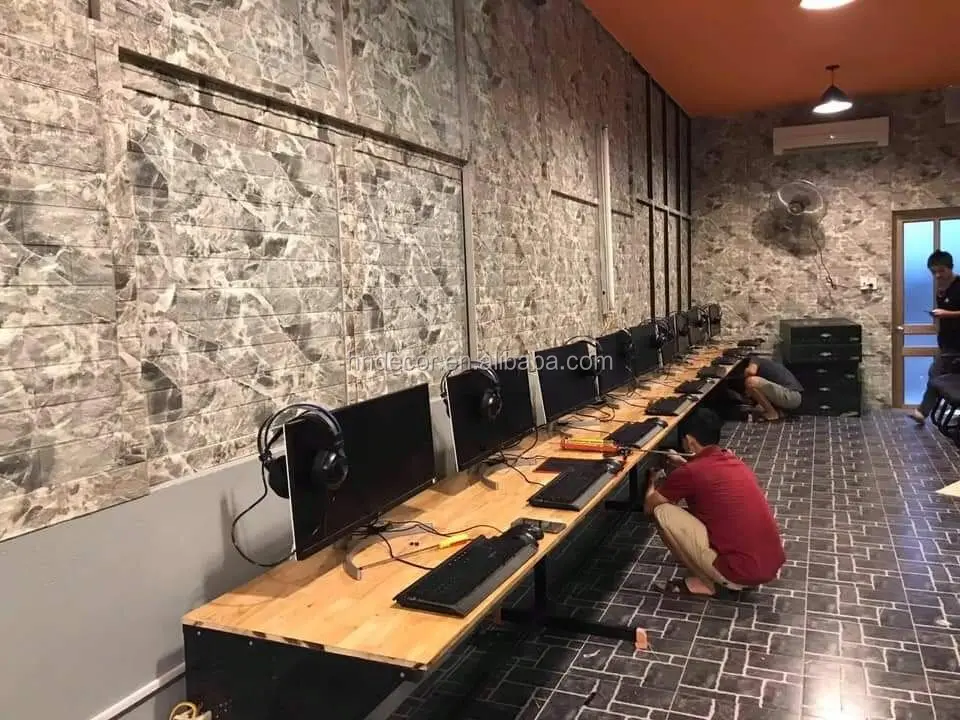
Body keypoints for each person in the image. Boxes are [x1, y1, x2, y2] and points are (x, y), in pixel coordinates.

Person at [644, 408, 785, 597]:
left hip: (741, 573)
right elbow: (703, 474)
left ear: (689, 441)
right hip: (768, 565)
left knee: (663, 512)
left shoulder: (691, 472)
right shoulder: (730, 458)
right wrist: (682, 463)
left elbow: (649, 506)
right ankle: (726, 577)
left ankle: (711, 583)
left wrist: (651, 482)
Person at [910, 250, 960, 424]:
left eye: (941, 271)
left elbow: (950, 313)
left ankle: (922, 411)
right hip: (947, 341)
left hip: (957, 344)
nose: (937, 275)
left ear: (950, 268)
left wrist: (946, 313)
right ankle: (924, 412)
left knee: (936, 373)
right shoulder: (942, 288)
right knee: (942, 376)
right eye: (933, 272)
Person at [742, 356, 803, 422]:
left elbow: (751, 371)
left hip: (791, 395)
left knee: (750, 382)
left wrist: (745, 372)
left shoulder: (755, 359)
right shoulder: (765, 364)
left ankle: (772, 413)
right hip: (793, 396)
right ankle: (779, 412)